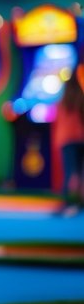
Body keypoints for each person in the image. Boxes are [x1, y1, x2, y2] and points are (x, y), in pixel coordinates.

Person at [53, 68, 84, 217]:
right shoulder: (80, 98)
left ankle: (68, 202)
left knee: (70, 172)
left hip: (67, 139)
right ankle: (80, 202)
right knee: (80, 172)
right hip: (80, 138)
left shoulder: (64, 99)